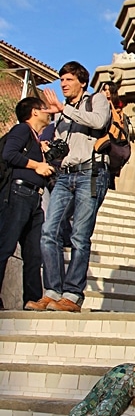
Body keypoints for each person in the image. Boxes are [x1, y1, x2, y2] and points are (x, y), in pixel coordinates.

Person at [28, 61, 111, 313]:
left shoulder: (96, 99)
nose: (63, 84)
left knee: (79, 236)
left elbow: (98, 121)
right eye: (61, 80)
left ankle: (73, 295)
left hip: (91, 173)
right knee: (49, 231)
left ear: (82, 82)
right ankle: (52, 291)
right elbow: (61, 147)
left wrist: (64, 110)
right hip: (65, 175)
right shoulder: (61, 114)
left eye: (68, 80)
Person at [0, 98, 55, 309]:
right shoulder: (22, 130)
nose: (48, 112)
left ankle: (32, 300)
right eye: (44, 109)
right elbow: (9, 154)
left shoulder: (35, 138)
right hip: (18, 193)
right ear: (34, 112)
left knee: (33, 253)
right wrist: (37, 165)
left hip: (34, 197)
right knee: (5, 246)